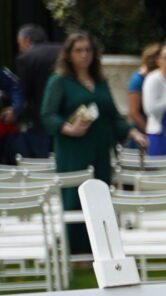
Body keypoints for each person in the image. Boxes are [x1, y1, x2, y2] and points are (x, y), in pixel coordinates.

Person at [42, 31, 135, 252]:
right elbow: (48, 115)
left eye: (88, 50)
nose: (84, 55)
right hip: (73, 149)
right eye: (79, 50)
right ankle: (76, 252)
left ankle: (102, 249)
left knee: (101, 197)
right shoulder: (59, 81)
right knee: (75, 197)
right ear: (69, 54)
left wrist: (132, 132)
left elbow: (113, 115)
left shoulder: (100, 82)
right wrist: (69, 128)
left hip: (100, 149)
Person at [14, 25, 59, 158]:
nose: (20, 49)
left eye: (19, 44)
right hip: (68, 118)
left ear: (27, 40)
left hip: (41, 121)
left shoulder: (27, 58)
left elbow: (24, 93)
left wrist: (17, 113)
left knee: (43, 161)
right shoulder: (64, 50)